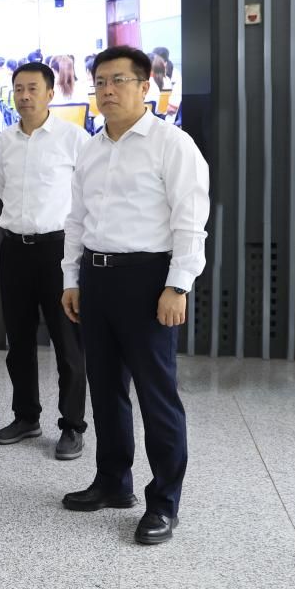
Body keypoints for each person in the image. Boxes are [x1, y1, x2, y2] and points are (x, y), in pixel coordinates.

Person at [59, 45, 210, 546]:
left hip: (149, 281)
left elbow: (191, 221)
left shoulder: (172, 144)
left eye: (118, 80)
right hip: (97, 278)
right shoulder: (91, 148)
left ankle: (164, 503)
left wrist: (177, 285)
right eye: (100, 82)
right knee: (104, 389)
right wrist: (72, 279)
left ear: (145, 86)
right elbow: (76, 220)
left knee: (156, 395)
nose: (107, 90)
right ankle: (112, 482)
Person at [0, 63, 90, 460]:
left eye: (32, 88)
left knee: (68, 342)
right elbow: (2, 189)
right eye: (18, 89)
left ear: (50, 93)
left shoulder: (73, 138)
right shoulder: (4, 140)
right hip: (14, 249)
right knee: (18, 340)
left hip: (58, 250)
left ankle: (72, 426)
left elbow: (88, 195)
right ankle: (26, 416)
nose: (24, 95)